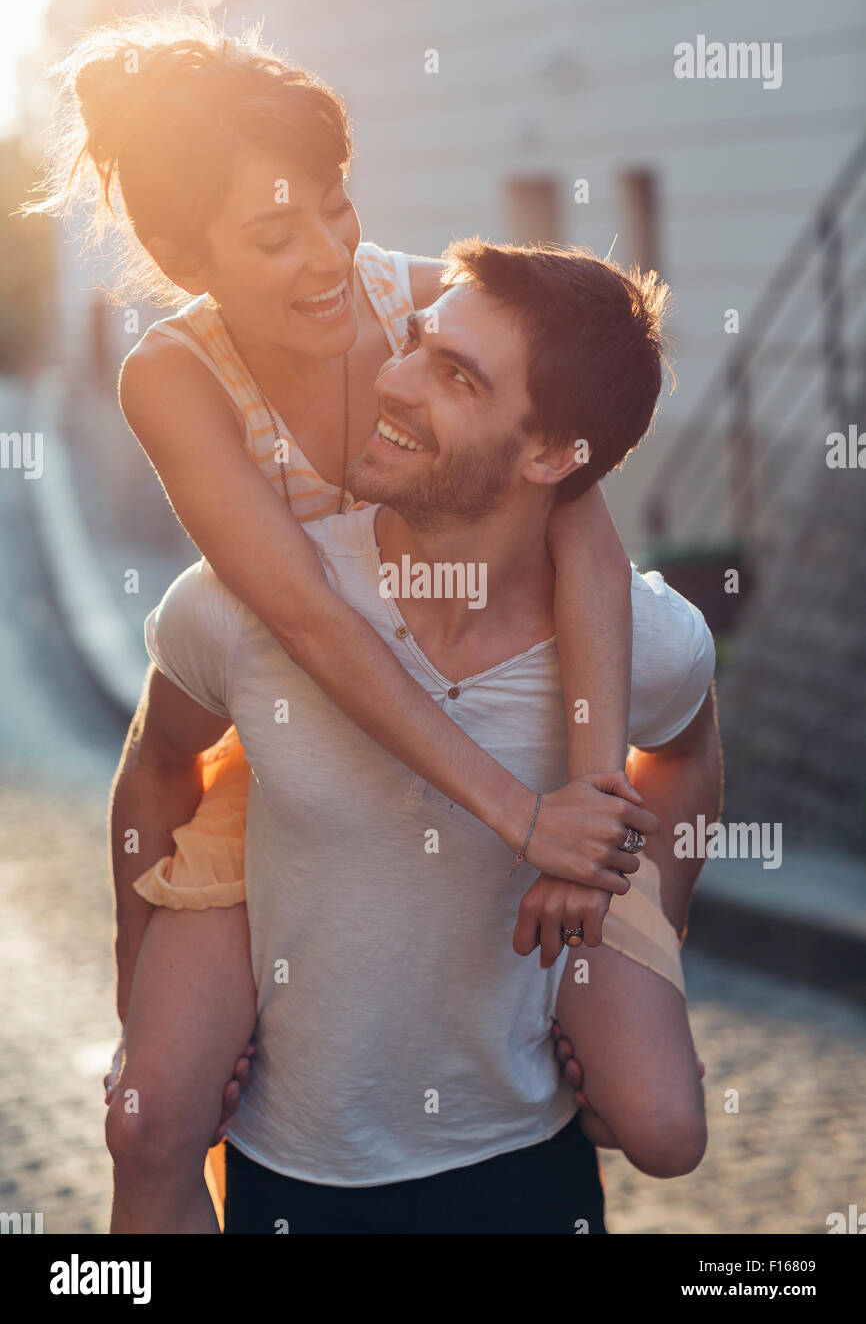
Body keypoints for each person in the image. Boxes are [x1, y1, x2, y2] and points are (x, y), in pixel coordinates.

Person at [24, 11, 653, 1231]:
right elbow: (307, 621)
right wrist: (518, 812)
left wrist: (587, 800)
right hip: (270, 760)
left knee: (662, 1121)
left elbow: (582, 532)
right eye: (273, 233)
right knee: (148, 1119)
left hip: (467, 727)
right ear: (176, 248)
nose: (326, 255)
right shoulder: (170, 376)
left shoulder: (428, 305)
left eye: (335, 203)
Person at [108, 237, 718, 1235]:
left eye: (452, 376)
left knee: (667, 1129)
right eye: (415, 343)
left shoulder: (644, 644)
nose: (386, 380)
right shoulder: (236, 608)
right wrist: (138, 1000)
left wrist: (636, 916)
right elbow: (159, 760)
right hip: (293, 1175)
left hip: (524, 1171)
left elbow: (687, 754)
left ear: (551, 457)